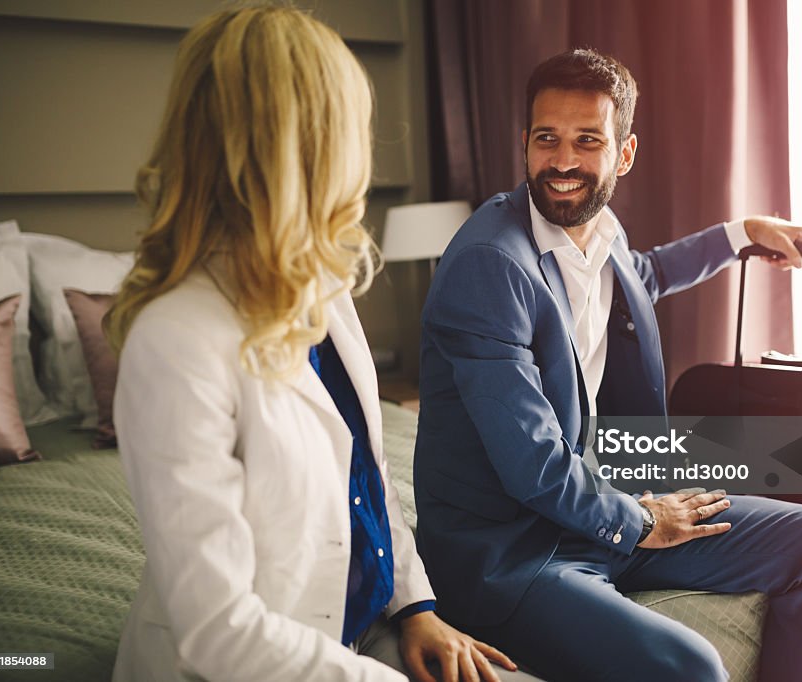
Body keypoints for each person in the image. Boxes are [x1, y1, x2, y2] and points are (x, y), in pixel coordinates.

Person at [104, 7, 533, 681]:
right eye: (352, 127)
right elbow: (218, 633)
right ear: (304, 145)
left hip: (362, 630)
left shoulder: (321, 284)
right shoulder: (174, 340)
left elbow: (367, 474)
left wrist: (414, 605)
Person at [414, 48, 802, 682]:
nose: (563, 162)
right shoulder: (489, 264)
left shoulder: (597, 227)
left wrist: (739, 235)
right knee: (693, 665)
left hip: (604, 507)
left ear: (623, 154)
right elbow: (534, 464)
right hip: (518, 552)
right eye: (548, 139)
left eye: (587, 141)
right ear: (525, 144)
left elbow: (642, 275)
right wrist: (646, 521)